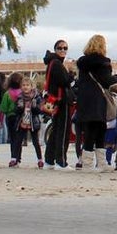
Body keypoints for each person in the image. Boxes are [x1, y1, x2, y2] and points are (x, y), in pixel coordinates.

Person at [74, 34, 117, 171]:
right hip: (98, 99)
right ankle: (99, 163)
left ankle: (87, 162)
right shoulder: (103, 62)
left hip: (84, 99)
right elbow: (107, 81)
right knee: (99, 130)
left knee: (89, 131)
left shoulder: (83, 63)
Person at [42, 39, 73, 169]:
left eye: (65, 48)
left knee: (56, 131)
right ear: (55, 49)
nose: (63, 50)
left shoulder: (51, 62)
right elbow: (64, 81)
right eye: (60, 48)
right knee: (63, 131)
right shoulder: (56, 64)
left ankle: (49, 161)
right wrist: (71, 74)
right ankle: (61, 161)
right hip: (61, 101)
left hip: (55, 101)